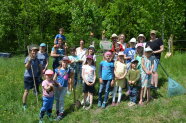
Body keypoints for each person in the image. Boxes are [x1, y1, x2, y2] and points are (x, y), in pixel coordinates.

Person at [22, 46, 43, 110]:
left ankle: (38, 101)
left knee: (37, 89)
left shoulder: (37, 59)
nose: (34, 52)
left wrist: (41, 73)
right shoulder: (27, 58)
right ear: (30, 51)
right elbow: (27, 67)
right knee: (26, 91)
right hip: (28, 77)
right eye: (33, 51)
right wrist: (30, 60)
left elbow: (40, 67)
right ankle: (24, 104)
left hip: (36, 76)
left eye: (36, 51)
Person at [53, 56, 73, 120]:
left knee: (61, 99)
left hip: (64, 87)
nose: (65, 64)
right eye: (64, 62)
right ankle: (57, 111)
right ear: (61, 62)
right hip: (57, 87)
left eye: (67, 63)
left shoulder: (68, 70)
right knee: (57, 99)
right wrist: (58, 84)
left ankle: (61, 113)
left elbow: (70, 76)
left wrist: (72, 76)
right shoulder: (57, 69)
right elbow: (54, 79)